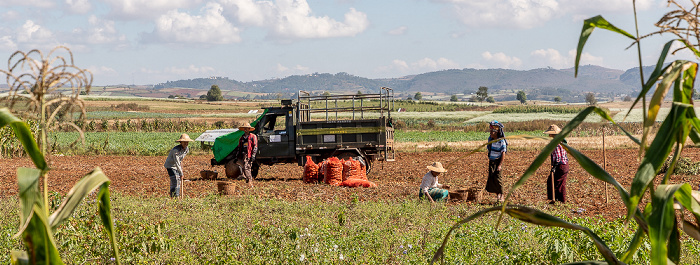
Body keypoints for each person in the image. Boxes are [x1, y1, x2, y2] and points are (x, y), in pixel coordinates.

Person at [544, 124, 569, 204]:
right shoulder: (560, 141)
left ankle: (560, 200)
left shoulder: (557, 143)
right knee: (554, 182)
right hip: (563, 165)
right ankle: (555, 199)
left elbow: (558, 157)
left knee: (558, 183)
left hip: (561, 165)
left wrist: (554, 167)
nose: (549, 134)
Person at [485, 120, 507, 203]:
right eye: (490, 131)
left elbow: (503, 153)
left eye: (492, 131)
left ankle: (502, 194)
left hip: (498, 161)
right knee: (493, 178)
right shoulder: (490, 140)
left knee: (498, 178)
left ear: (496, 132)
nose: (490, 133)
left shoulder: (501, 141)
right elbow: (489, 149)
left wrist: (500, 165)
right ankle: (497, 194)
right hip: (492, 161)